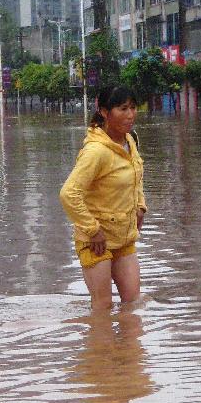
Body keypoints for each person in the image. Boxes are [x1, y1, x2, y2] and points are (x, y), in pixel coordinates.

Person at [60, 84, 146, 310]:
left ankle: (130, 347)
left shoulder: (130, 140)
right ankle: (100, 346)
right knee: (103, 306)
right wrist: (92, 230)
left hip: (124, 237)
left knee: (133, 304)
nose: (130, 115)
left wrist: (140, 206)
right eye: (123, 109)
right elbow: (69, 194)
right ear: (105, 113)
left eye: (133, 108)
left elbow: (136, 175)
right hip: (95, 242)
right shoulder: (96, 151)